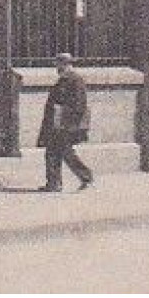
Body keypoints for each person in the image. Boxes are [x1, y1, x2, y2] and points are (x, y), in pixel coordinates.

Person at [38, 51, 93, 192]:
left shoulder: (75, 80)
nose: (58, 68)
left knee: (66, 152)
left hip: (67, 124)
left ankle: (86, 177)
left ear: (67, 65)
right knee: (52, 152)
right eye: (57, 65)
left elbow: (80, 105)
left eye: (60, 65)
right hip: (57, 124)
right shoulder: (63, 80)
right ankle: (54, 183)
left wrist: (67, 120)